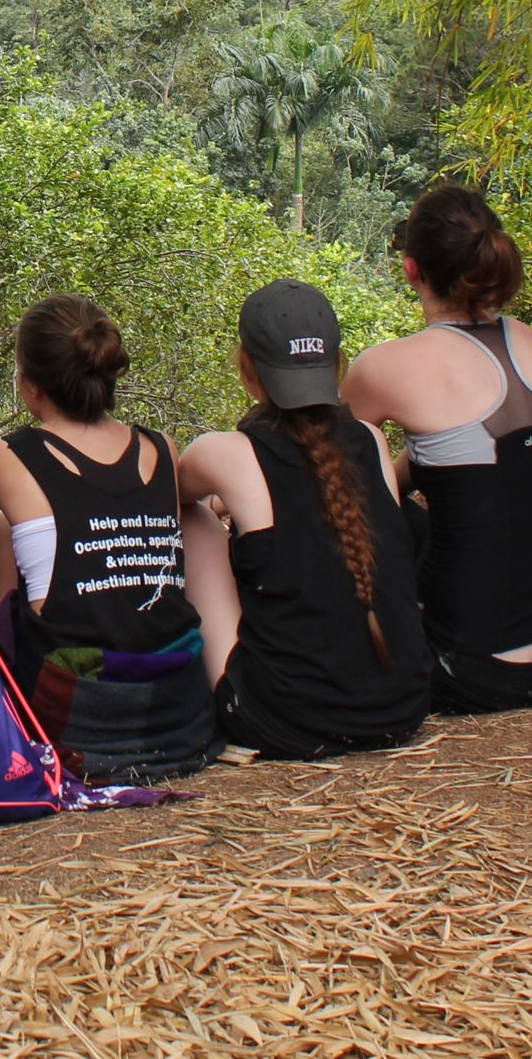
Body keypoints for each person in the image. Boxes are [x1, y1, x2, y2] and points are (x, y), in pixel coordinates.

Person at [342, 186, 532, 714]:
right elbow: (475, 459)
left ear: (411, 269)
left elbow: (330, 469)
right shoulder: (528, 340)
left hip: (472, 667)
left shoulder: (386, 365)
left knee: (343, 497)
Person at [0, 296, 216, 782]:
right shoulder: (161, 447)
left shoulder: (1, 457)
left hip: (76, 721)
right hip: (180, 713)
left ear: (31, 386)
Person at [180, 280, 432, 760]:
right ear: (335, 365)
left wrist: (224, 504)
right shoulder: (371, 440)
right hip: (404, 707)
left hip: (286, 721)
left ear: (247, 370)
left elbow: (171, 494)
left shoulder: (227, 453)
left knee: (193, 518)